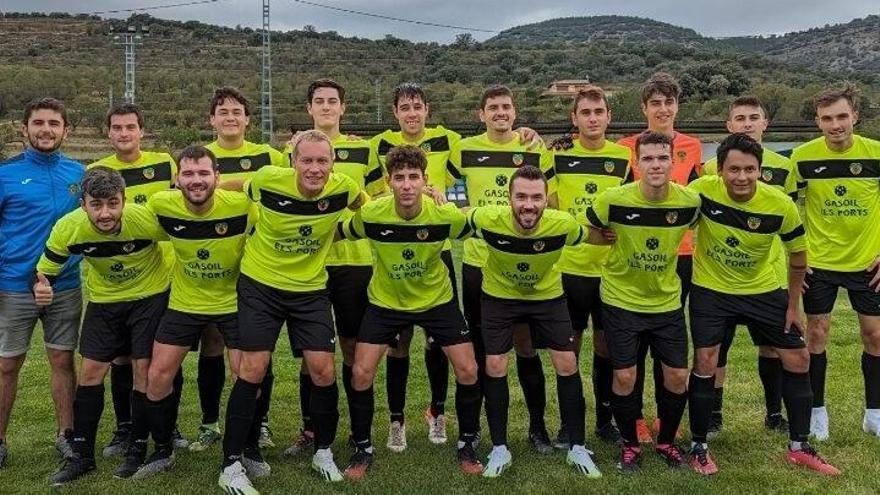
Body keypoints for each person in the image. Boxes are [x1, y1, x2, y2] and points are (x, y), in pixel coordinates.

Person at [217, 130, 366, 494]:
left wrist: (423, 196)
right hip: (260, 285)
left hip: (310, 289)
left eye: (322, 161)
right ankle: (231, 464)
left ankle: (323, 452)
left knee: (323, 368)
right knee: (252, 368)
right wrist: (212, 183)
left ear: (333, 164)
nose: (315, 169)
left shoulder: (343, 188)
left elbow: (371, 205)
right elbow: (239, 186)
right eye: (307, 161)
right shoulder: (268, 180)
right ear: (293, 162)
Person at [686, 133, 839, 476]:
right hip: (712, 290)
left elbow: (798, 257)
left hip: (762, 290)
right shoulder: (702, 192)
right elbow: (665, 206)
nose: (742, 177)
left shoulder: (779, 204)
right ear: (720, 169)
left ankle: (799, 446)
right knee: (706, 359)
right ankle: (698, 446)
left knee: (798, 358)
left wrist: (791, 306)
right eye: (734, 169)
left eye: (750, 169)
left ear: (760, 170)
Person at [339, 145, 482, 478]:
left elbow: (482, 228)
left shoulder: (444, 216)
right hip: (386, 302)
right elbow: (336, 232)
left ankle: (466, 445)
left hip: (437, 300)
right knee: (360, 372)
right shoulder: (372, 214)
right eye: (399, 178)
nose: (406, 184)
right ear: (389, 181)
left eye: (413, 177)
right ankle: (362, 448)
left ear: (425, 180)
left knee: (469, 369)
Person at [41, 167, 170, 484]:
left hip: (149, 296)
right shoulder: (68, 228)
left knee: (143, 368)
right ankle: (82, 456)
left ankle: (137, 450)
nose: (105, 213)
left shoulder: (145, 219)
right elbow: (47, 270)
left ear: (124, 200)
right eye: (96, 205)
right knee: (90, 373)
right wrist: (41, 286)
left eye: (113, 203)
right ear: (82, 205)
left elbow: (188, 235)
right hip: (104, 301)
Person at [134, 145, 257, 479]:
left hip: (232, 302)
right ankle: (162, 449)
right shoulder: (162, 205)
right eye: (188, 173)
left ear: (217, 176)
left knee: (247, 375)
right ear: (177, 179)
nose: (196, 180)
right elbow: (125, 220)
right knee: (157, 376)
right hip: (184, 302)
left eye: (204, 173)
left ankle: (248, 448)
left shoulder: (242, 206)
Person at [448, 84, 557, 454]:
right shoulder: (464, 150)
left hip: (525, 263)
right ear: (481, 114)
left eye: (506, 106)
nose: (500, 112)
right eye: (492, 107)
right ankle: (477, 429)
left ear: (515, 112)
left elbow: (551, 199)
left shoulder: (532, 146)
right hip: (479, 263)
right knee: (483, 352)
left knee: (527, 348)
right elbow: (449, 197)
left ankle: (538, 427)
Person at [470, 165, 599, 478]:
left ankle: (577, 448)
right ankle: (500, 448)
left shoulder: (563, 224)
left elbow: (594, 235)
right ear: (509, 198)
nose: (529, 204)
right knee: (495, 365)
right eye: (521, 197)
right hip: (499, 296)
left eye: (536, 197)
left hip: (547, 296)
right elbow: (452, 218)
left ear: (546, 200)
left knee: (567, 364)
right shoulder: (487, 219)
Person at [283, 79, 386, 457]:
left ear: (343, 108)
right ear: (309, 108)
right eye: (319, 101)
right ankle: (311, 430)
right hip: (307, 264)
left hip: (353, 263)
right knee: (313, 353)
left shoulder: (364, 149)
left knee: (352, 347)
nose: (326, 107)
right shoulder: (290, 151)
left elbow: (379, 203)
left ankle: (359, 431)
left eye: (333, 101)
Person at [586, 132, 699, 474]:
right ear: (636, 162)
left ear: (673, 161)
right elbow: (591, 229)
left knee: (678, 375)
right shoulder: (613, 199)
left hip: (666, 302)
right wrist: (604, 236)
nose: (655, 164)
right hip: (621, 301)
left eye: (662, 158)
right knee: (625, 376)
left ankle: (666, 442)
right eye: (647, 158)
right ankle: (631, 446)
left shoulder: (688, 202)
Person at [90, 102, 187, 456]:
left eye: (130, 127)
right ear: (108, 132)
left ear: (141, 131)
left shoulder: (164, 163)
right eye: (117, 128)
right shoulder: (96, 170)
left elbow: (180, 207)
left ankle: (168, 425)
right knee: (121, 359)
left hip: (160, 277)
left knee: (162, 358)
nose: (124, 133)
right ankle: (124, 427)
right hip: (116, 283)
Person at [370, 82, 462, 447]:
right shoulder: (380, 144)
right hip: (395, 248)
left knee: (437, 340)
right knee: (399, 342)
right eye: (405, 107)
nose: (412, 113)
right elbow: (374, 189)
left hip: (434, 247)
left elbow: (494, 139)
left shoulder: (448, 139)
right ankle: (397, 421)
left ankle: (437, 414)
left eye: (417, 106)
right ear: (395, 112)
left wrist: (526, 134)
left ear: (428, 110)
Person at [196, 86, 287, 452]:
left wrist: (231, 183)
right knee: (212, 343)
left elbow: (289, 188)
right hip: (214, 263)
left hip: (257, 263)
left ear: (248, 119)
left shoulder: (269, 155)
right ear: (212, 120)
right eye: (223, 111)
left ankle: (260, 422)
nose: (230, 117)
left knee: (257, 348)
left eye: (236, 111)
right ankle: (209, 423)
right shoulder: (202, 157)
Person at [702, 96, 798, 437]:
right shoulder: (712, 168)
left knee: (771, 346)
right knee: (717, 348)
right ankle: (713, 414)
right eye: (739, 118)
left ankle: (774, 413)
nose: (747, 123)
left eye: (753, 117)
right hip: (721, 275)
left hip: (768, 272)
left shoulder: (786, 166)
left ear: (765, 123)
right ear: (729, 126)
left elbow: (795, 219)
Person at [790, 83, 880, 441]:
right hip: (820, 263)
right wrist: (797, 257)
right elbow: (786, 209)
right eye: (827, 118)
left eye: (842, 116)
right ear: (818, 121)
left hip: (866, 264)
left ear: (855, 116)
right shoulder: (803, 157)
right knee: (816, 334)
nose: (836, 124)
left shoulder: (875, 153)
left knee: (874, 336)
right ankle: (817, 411)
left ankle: (874, 412)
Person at [617, 72, 702, 443]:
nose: (663, 109)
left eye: (669, 102)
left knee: (668, 338)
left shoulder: (693, 146)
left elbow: (700, 194)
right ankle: (633, 417)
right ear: (644, 108)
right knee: (634, 341)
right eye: (655, 103)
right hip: (636, 255)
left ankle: (665, 415)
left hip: (681, 253)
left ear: (677, 106)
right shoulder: (623, 147)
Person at [0, 97, 84, 467]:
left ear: (66, 130)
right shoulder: (5, 175)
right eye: (38, 123)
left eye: (54, 123)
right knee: (6, 365)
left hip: (64, 285)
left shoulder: (79, 175)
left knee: (63, 360)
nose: (46, 129)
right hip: (13, 287)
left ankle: (67, 436)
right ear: (25, 129)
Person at [549, 85, 631, 447]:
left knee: (607, 348)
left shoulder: (625, 158)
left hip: (611, 272)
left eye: (599, 112)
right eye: (585, 112)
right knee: (569, 352)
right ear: (574, 119)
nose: (593, 118)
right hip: (570, 270)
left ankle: (604, 419)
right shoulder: (557, 156)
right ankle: (569, 424)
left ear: (609, 117)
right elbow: (549, 207)